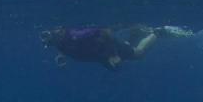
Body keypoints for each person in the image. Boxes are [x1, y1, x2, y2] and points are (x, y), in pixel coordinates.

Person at [40, 25, 191, 70]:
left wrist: (113, 54)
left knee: (138, 54)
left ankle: (158, 32)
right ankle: (134, 32)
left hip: (108, 49)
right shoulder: (61, 44)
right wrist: (61, 56)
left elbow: (104, 32)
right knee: (116, 69)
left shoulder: (76, 35)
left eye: (51, 41)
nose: (51, 44)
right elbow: (63, 47)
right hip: (100, 57)